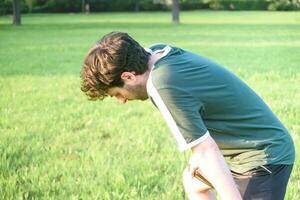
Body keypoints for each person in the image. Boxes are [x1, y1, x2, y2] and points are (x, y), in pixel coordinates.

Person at [80, 32, 295, 200]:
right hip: (241, 154)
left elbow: (205, 150)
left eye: (117, 93)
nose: (121, 100)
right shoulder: (156, 53)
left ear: (127, 76)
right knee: (193, 179)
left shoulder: (160, 82)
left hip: (263, 157)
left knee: (202, 164)